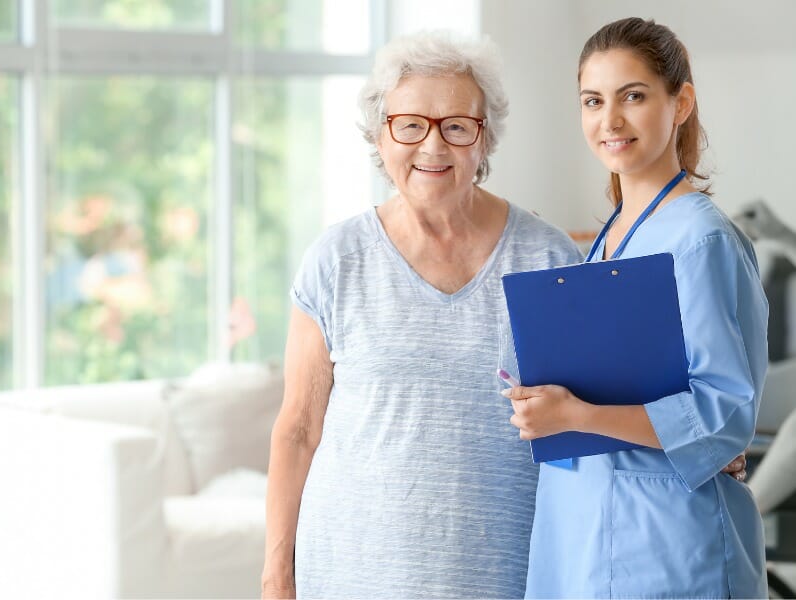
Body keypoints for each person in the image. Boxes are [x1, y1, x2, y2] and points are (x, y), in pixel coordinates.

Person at [261, 31, 583, 598]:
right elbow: (298, 430)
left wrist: (700, 449)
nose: (433, 147)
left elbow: (589, 413)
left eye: (457, 126)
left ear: (485, 141)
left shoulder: (548, 257)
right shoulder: (337, 260)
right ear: (380, 136)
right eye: (410, 124)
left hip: (505, 575)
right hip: (349, 571)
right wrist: (276, 576)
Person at [503, 17, 769, 598]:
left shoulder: (701, 239)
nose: (610, 120)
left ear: (681, 103)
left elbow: (723, 416)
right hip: (583, 532)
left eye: (634, 96)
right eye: (593, 101)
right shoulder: (610, 237)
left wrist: (574, 416)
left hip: (668, 546)